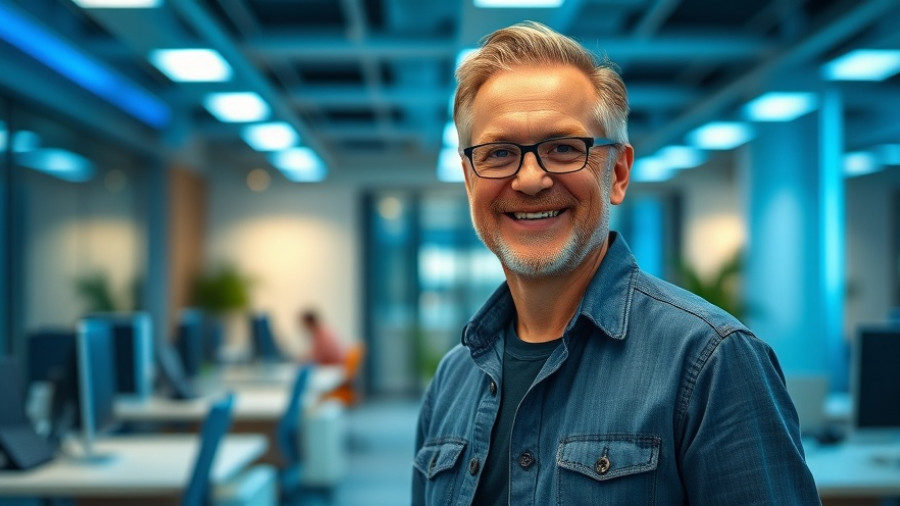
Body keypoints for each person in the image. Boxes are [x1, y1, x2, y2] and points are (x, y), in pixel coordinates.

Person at [412, 21, 820, 506]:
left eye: (563, 148)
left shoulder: (711, 362)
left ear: (618, 172)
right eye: (499, 153)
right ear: (469, 180)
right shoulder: (453, 380)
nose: (530, 179)